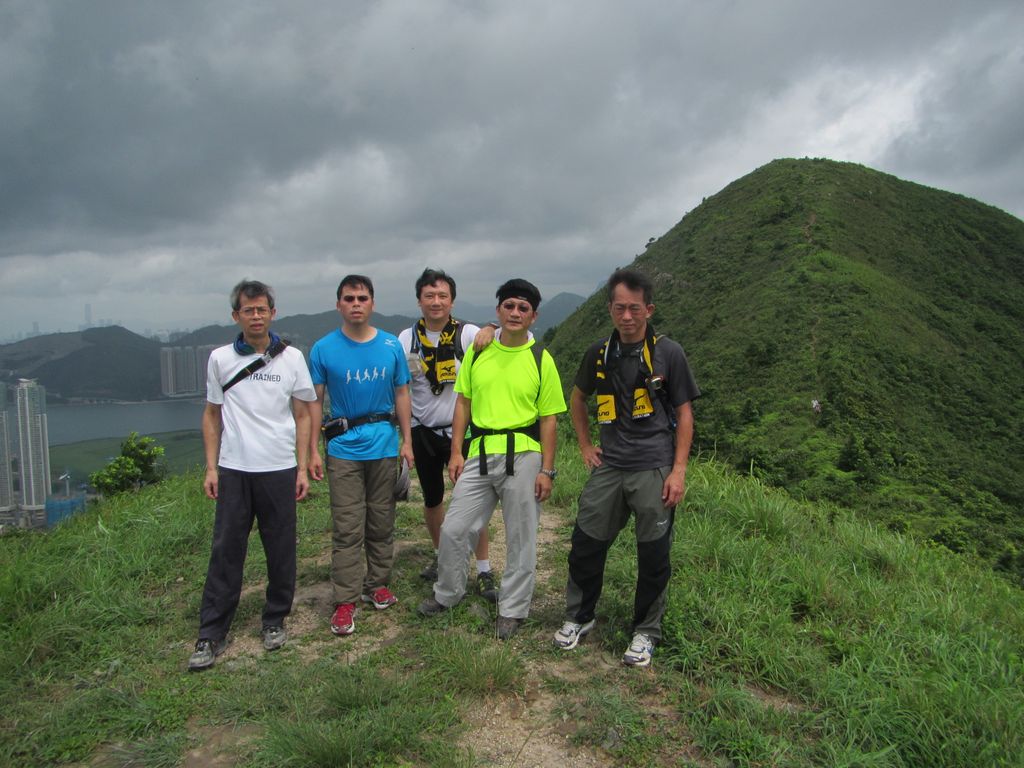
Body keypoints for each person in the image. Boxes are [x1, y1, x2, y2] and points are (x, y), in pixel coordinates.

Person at [553, 268, 699, 668]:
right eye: (620, 308)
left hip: (653, 467)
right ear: (610, 309)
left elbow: (685, 413)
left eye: (635, 308)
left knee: (653, 553)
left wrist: (678, 470)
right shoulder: (600, 353)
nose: (627, 316)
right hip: (610, 465)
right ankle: (579, 617)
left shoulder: (669, 353)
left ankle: (645, 631)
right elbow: (577, 398)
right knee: (586, 543)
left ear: (649, 309)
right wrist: (585, 445)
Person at [418, 279, 566, 640]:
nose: (515, 313)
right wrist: (456, 451)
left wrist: (547, 470)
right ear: (498, 310)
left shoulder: (540, 358)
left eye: (523, 308)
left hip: (524, 453)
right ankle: (448, 592)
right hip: (480, 451)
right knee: (455, 528)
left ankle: (512, 608)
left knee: (521, 536)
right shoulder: (479, 351)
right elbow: (463, 402)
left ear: (533, 316)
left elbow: (549, 419)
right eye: (509, 306)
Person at [189, 279, 316, 671]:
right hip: (234, 468)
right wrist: (211, 467)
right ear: (236, 316)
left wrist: (302, 467)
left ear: (272, 313)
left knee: (281, 548)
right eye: (249, 310)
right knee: (226, 550)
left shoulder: (292, 358)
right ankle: (211, 631)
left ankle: (275, 618)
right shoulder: (220, 358)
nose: (256, 316)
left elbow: (303, 415)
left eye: (262, 309)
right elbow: (212, 414)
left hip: (278, 467)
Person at [309, 275, 414, 637]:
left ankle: (378, 584)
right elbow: (314, 402)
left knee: (382, 520)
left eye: (362, 298)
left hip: (384, 444)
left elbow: (402, 394)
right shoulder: (323, 349)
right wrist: (311, 449)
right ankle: (345, 600)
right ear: (339, 304)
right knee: (347, 526)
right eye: (349, 298)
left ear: (372, 303)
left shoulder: (390, 346)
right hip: (343, 448)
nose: (356, 304)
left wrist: (407, 441)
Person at [397, 268, 498, 602]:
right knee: (432, 498)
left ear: (452, 301)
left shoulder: (467, 334)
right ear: (419, 301)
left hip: (462, 432)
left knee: (473, 501)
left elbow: (509, 339)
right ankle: (443, 557)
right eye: (429, 295)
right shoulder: (407, 339)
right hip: (422, 430)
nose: (436, 301)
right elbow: (403, 389)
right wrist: (406, 438)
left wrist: (491, 327)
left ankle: (483, 568)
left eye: (442, 295)